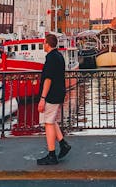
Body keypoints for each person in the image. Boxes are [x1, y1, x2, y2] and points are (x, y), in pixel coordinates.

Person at [36, 33, 71, 165]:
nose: (43, 45)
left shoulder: (50, 58)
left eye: (44, 43)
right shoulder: (59, 56)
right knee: (52, 120)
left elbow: (48, 79)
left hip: (51, 95)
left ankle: (52, 155)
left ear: (47, 44)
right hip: (59, 92)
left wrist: (42, 98)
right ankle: (63, 144)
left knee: (48, 123)